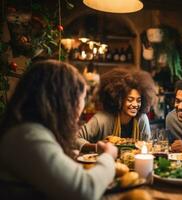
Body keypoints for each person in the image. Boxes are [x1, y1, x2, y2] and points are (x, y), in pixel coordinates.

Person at [0, 60, 117, 199]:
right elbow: (85, 190)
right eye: (82, 98)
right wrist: (108, 156)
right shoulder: (28, 136)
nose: (82, 108)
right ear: (64, 100)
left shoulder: (28, 131)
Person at [76, 68, 156, 152]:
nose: (135, 105)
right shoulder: (102, 118)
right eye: (130, 100)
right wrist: (96, 147)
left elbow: (147, 147)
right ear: (119, 100)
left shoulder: (142, 119)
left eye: (138, 100)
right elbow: (76, 139)